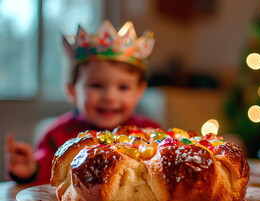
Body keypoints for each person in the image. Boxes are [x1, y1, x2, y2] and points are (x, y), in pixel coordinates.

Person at [6, 20, 160, 184]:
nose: (110, 97)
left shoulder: (150, 134)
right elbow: (45, 173)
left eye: (123, 87)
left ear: (139, 91)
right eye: (96, 85)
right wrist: (29, 170)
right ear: (72, 90)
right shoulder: (57, 135)